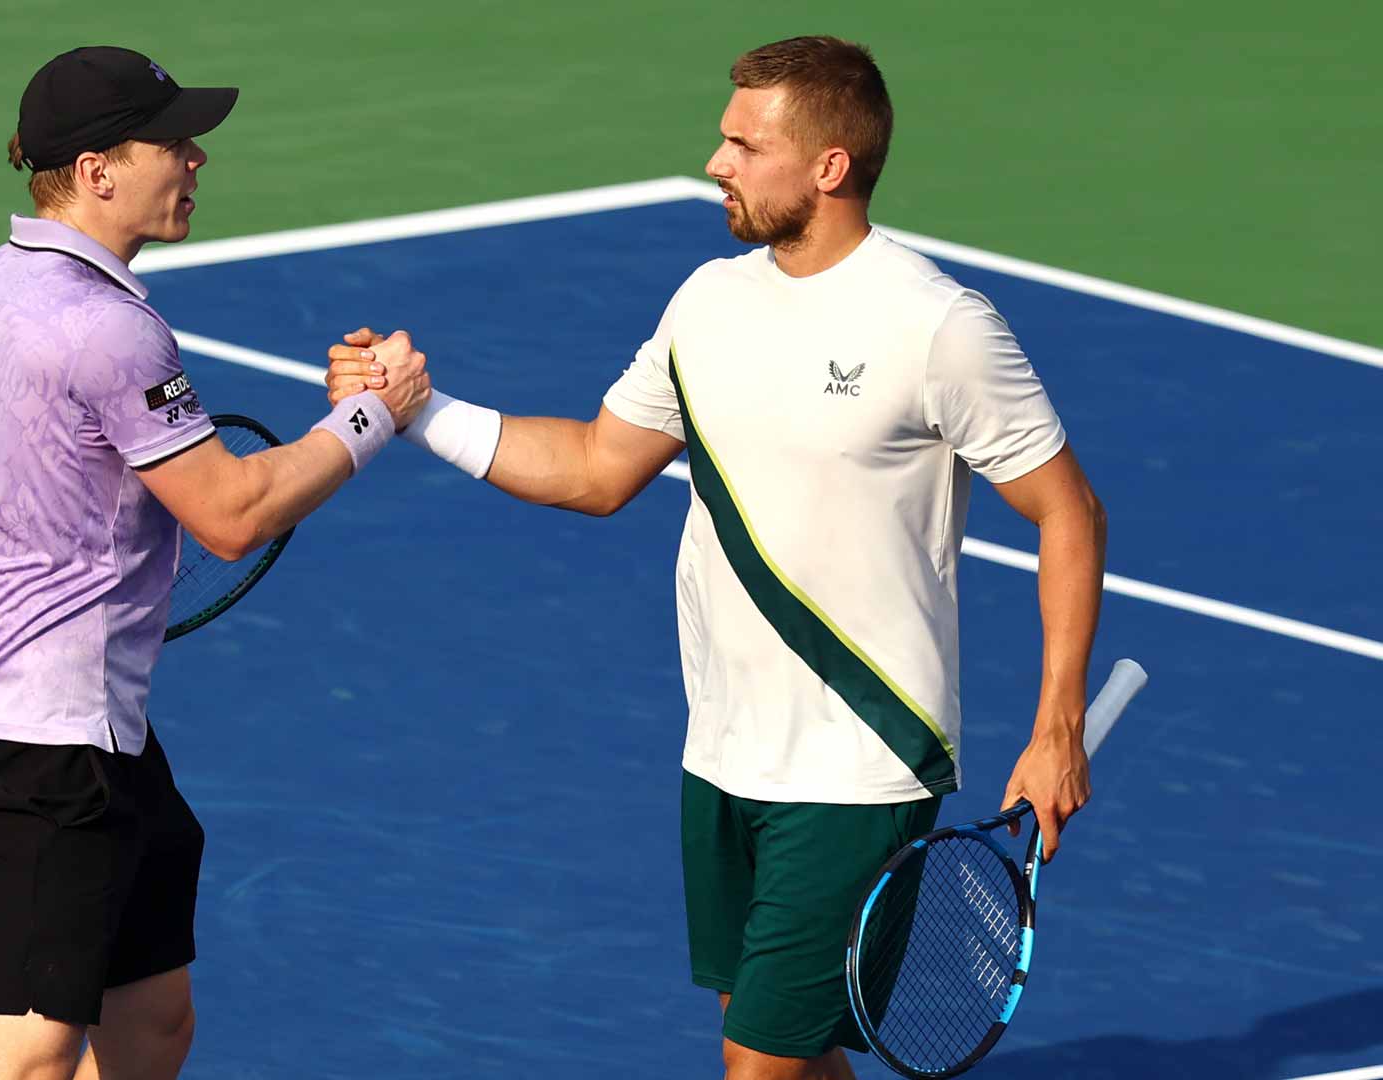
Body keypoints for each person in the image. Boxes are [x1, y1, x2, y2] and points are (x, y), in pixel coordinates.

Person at [323, 35, 1107, 1080]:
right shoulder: (707, 303)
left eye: (745, 143)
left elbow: (1068, 514)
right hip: (726, 752)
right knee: (794, 1045)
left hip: (859, 765)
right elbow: (600, 467)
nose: (715, 162)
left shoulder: (938, 327)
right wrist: (417, 414)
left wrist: (1057, 725)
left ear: (829, 166)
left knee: (757, 1066)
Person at [0, 45, 427, 1080]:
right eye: (172, 141)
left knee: (152, 1025)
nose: (197, 159)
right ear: (96, 170)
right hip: (43, 760)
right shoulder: (112, 331)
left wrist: (15, 609)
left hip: (87, 737)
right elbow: (231, 512)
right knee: (20, 1062)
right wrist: (370, 417)